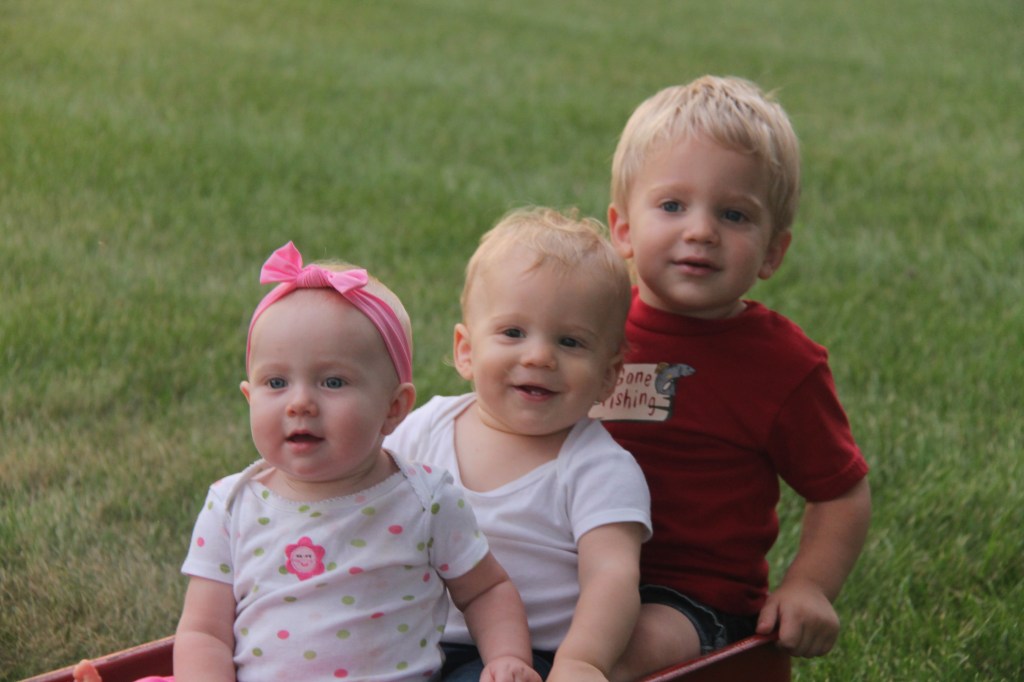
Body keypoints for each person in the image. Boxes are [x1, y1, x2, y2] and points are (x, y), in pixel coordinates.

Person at [75, 242, 541, 682]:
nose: (300, 403)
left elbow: (485, 590)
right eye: (276, 383)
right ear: (248, 396)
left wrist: (506, 659)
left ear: (394, 407)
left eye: (333, 383)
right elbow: (203, 631)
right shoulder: (232, 504)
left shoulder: (425, 500)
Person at [589, 75, 873, 680]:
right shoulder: (588, 324)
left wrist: (809, 586)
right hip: (571, 566)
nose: (700, 231)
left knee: (605, 657)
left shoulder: (781, 365)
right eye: (672, 205)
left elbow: (840, 491)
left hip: (692, 600)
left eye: (734, 214)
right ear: (623, 230)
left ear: (773, 251)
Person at [384, 207, 652, 682]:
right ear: (467, 350)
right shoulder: (424, 429)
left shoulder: (598, 468)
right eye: (513, 332)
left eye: (570, 342)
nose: (539, 356)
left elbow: (611, 578)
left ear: (609, 375)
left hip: (525, 658)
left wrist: (582, 661)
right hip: (408, 638)